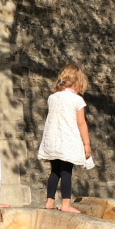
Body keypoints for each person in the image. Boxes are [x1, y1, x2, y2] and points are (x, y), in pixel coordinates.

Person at [37, 64, 94, 213]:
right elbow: (81, 123)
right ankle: (66, 204)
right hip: (67, 140)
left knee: (54, 170)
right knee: (66, 171)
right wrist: (86, 143)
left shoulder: (52, 97)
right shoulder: (77, 100)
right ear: (77, 83)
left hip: (53, 140)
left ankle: (50, 201)